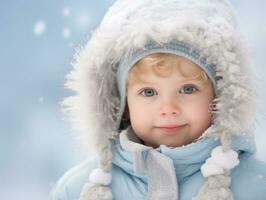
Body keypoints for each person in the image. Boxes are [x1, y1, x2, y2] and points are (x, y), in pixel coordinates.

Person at [50, 0, 266, 199]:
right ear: (123, 104)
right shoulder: (77, 190)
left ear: (221, 97)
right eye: (148, 92)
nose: (169, 109)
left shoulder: (256, 186)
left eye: (188, 89)